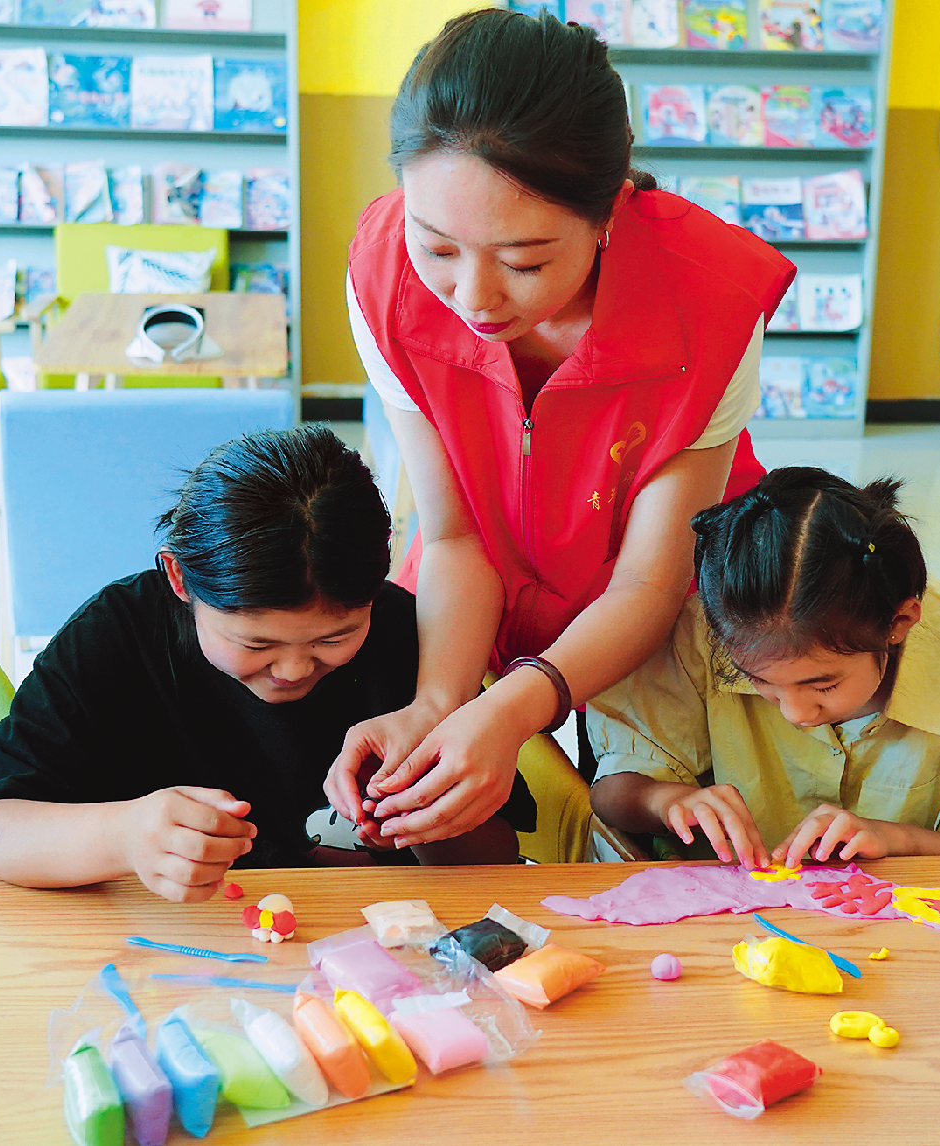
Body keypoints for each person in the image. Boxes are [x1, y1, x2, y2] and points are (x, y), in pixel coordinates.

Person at [326, 8, 795, 850]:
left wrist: (514, 707)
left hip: (656, 597)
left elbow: (649, 582)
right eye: (438, 249)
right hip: (472, 585)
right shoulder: (382, 274)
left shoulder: (713, 302)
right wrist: (437, 703)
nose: (474, 298)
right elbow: (454, 534)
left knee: (649, 827)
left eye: (524, 261)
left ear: (608, 211)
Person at [0, 426, 533, 902]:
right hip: (164, 951)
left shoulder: (415, 640)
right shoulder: (116, 637)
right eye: (255, 644)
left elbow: (499, 858)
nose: (293, 669)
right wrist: (123, 836)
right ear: (180, 579)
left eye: (336, 637)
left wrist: (423, 813)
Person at [587, 467, 940, 869]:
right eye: (759, 681)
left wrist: (897, 840)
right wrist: (667, 800)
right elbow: (611, 792)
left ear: (899, 622)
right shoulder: (704, 630)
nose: (795, 713)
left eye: (823, 684)